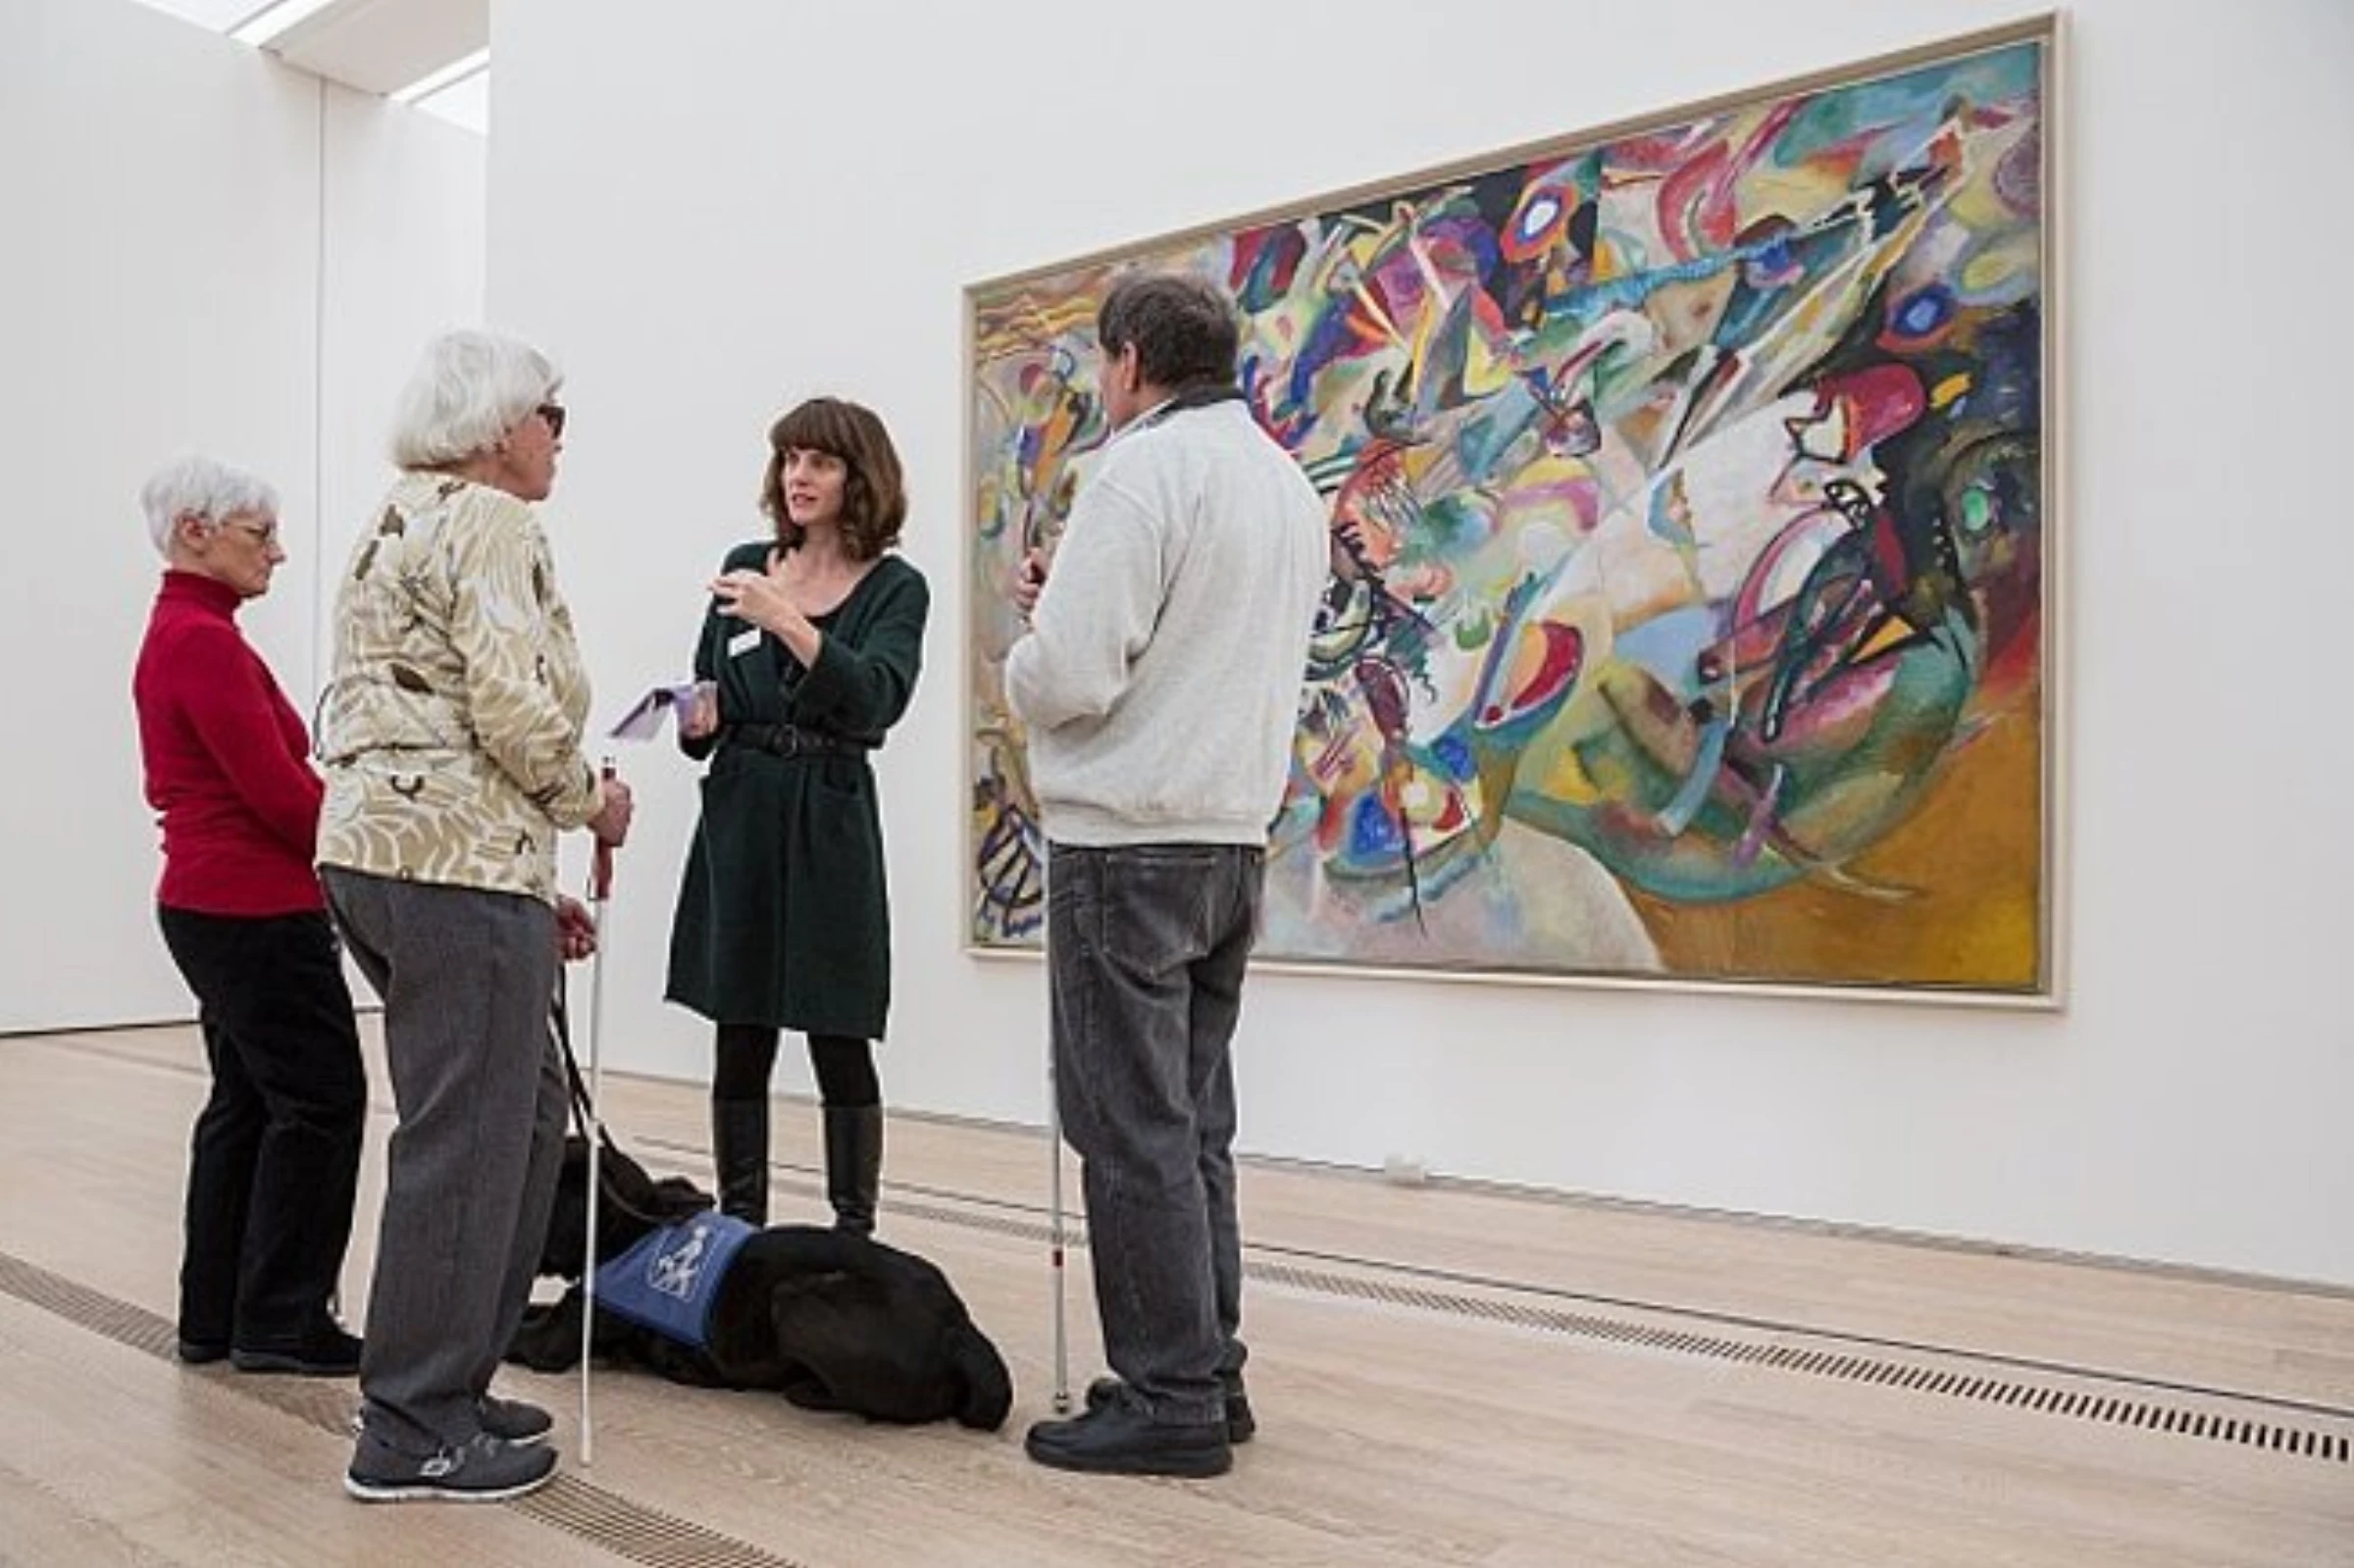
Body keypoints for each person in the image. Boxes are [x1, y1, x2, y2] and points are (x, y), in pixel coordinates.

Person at [1005, 273, 1328, 1478]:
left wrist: (1022, 658)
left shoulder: (1139, 471)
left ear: (1130, 358)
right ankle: (1208, 1367)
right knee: (1192, 1123)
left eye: (1102, 364)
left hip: (1125, 842)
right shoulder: (1282, 480)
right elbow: (1195, 636)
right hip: (1228, 839)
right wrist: (1073, 611)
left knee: (1128, 1126)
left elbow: (1073, 677)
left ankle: (1170, 1398)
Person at [316, 329, 634, 1503]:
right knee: (469, 1138)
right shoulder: (495, 520)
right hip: (447, 867)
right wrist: (591, 802)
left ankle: (451, 1380)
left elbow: (418, 717)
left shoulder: (396, 517)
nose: (560, 439)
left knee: (517, 1115)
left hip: (391, 859)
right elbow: (511, 705)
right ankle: (410, 1426)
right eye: (554, 414)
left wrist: (523, 876)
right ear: (502, 427)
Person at [665, 396, 928, 1237]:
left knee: (839, 1027)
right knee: (740, 1028)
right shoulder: (746, 562)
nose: (799, 477)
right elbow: (710, 679)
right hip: (742, 810)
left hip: (831, 817)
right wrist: (696, 721)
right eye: (789, 460)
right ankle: (739, 1225)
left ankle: (855, 1231)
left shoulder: (896, 586)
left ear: (860, 476)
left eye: (819, 461)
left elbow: (876, 698)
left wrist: (787, 621)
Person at [132, 455, 368, 1379]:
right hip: (253, 907)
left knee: (247, 1102)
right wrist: (385, 848)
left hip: (211, 903)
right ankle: (281, 1320)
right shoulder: (201, 640)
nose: (277, 551)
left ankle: (216, 1316)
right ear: (196, 530)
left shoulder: (190, 630)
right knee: (320, 1102)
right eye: (257, 533)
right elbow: (276, 794)